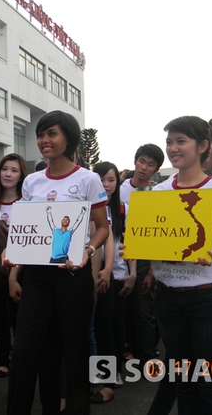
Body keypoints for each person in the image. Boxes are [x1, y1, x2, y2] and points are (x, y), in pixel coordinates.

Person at [2, 110, 109, 414]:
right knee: (25, 350)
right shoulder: (32, 182)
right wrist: (12, 269)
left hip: (72, 277)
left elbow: (102, 227)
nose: (44, 140)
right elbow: (25, 233)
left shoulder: (88, 179)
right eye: (41, 134)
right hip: (35, 278)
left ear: (69, 138)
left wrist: (88, 251)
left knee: (74, 353)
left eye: (52, 134)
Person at [149, 116, 212, 413]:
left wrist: (210, 249)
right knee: (183, 379)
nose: (173, 148)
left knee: (211, 379)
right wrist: (137, 246)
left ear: (203, 146)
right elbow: (155, 240)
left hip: (208, 297)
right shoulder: (158, 193)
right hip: (167, 296)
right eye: (169, 141)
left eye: (180, 141)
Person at [90, 161, 137, 404]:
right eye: (101, 180)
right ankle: (102, 372)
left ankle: (111, 372)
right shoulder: (89, 207)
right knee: (97, 327)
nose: (106, 185)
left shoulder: (122, 209)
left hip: (116, 276)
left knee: (112, 327)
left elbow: (131, 244)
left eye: (110, 180)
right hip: (94, 275)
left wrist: (133, 273)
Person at [119, 144, 164, 367]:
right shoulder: (119, 189)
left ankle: (146, 357)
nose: (144, 167)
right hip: (119, 255)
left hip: (145, 258)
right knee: (123, 308)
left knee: (144, 310)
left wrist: (152, 272)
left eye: (150, 164)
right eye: (141, 161)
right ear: (135, 161)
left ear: (156, 169)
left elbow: (156, 236)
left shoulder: (155, 194)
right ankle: (127, 349)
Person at [0, 153, 28, 379]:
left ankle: (20, 358)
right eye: (5, 168)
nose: (8, 174)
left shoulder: (26, 203)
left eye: (14, 170)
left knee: (18, 317)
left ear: (21, 174)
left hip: (21, 270)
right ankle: (3, 358)